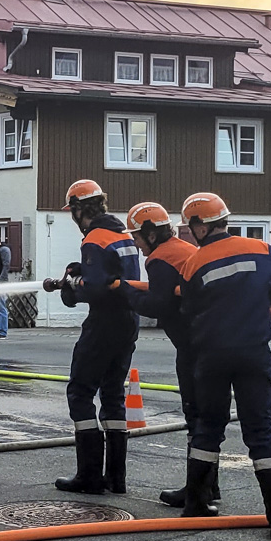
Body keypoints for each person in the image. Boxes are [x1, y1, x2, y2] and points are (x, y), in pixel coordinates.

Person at [178, 192, 271, 539]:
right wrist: (262, 295)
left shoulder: (194, 263)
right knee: (260, 431)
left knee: (208, 427)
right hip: (252, 353)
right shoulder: (260, 249)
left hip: (212, 356)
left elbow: (187, 309)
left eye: (192, 227)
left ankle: (195, 505)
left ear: (199, 225)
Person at [42, 180, 140, 495]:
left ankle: (89, 476)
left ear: (79, 209)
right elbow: (111, 276)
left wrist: (72, 288)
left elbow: (96, 287)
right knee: (112, 396)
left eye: (72, 209)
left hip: (104, 322)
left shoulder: (95, 239)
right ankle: (116, 478)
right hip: (128, 321)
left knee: (80, 393)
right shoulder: (123, 233)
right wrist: (78, 273)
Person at [116, 203, 213, 508]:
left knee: (195, 416)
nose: (135, 243)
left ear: (150, 233)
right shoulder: (183, 248)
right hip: (208, 339)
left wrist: (124, 291)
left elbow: (157, 305)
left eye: (137, 236)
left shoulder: (161, 258)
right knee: (207, 417)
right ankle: (209, 486)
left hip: (193, 346)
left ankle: (197, 492)